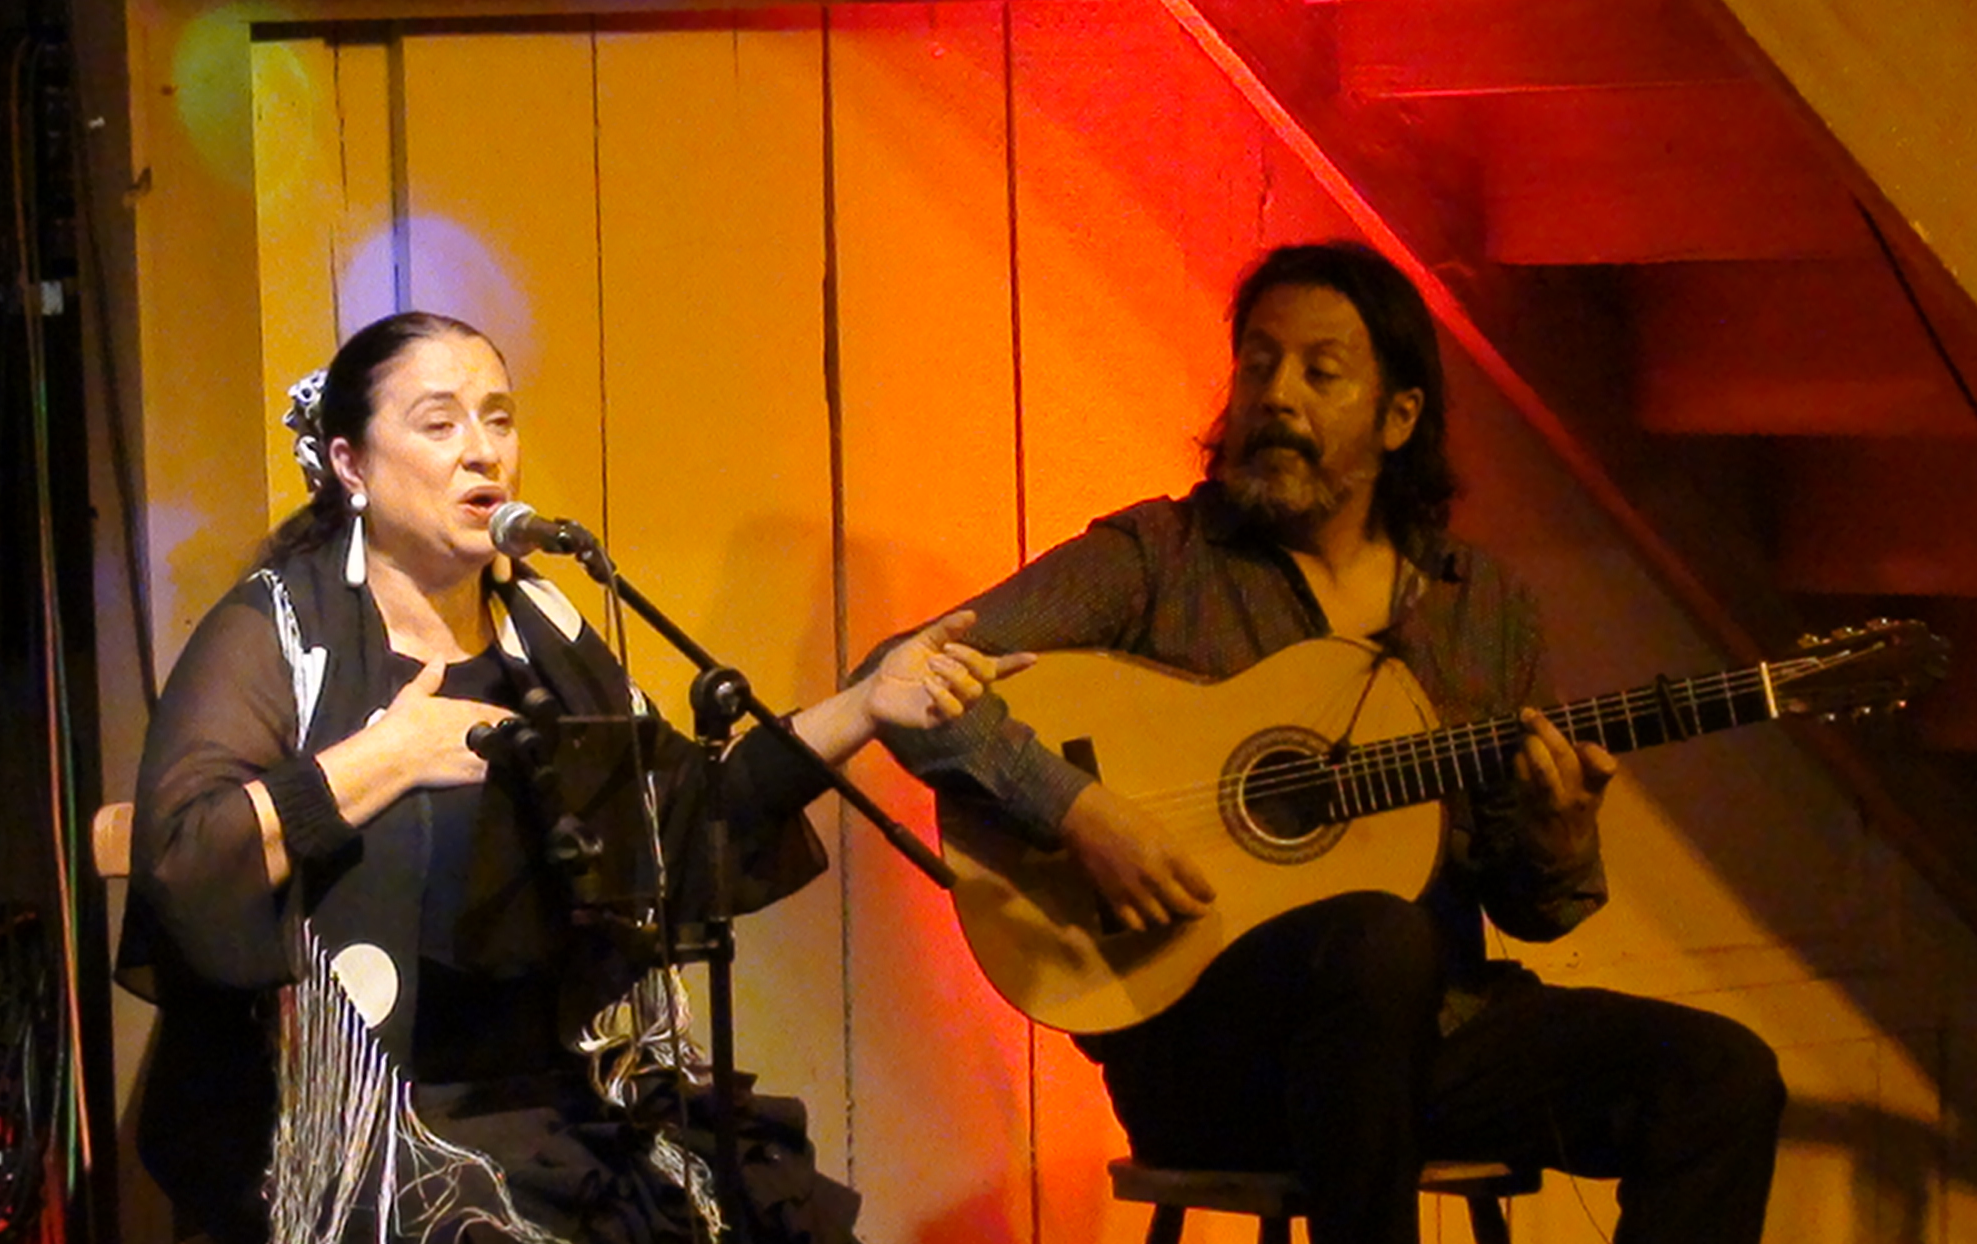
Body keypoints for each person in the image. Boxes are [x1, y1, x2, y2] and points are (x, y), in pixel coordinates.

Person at [861, 242, 1785, 1244]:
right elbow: (904, 677)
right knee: (1378, 941)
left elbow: (1530, 909)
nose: (1276, 397)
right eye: (1257, 364)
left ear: (1399, 418)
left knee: (1721, 1077)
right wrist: (1077, 810)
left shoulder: (1484, 608)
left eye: (1319, 371)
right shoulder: (1161, 559)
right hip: (1211, 1057)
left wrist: (1557, 839)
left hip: (1434, 1040)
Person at [116, 310, 1028, 1244]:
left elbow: (679, 817)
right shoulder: (275, 630)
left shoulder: (542, 630)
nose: (482, 452)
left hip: (571, 1100)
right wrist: (390, 755)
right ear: (351, 465)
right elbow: (185, 860)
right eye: (439, 424)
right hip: (374, 1124)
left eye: (498, 419)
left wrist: (866, 706)